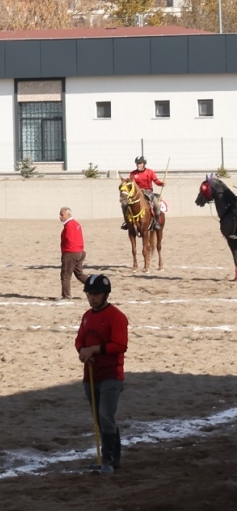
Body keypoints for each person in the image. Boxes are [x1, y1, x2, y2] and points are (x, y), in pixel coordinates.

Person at [74, 273, 128, 473]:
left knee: (106, 416)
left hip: (111, 375)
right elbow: (79, 340)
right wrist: (82, 352)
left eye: (96, 294)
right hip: (90, 375)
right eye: (89, 294)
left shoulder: (117, 317)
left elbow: (120, 345)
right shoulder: (87, 317)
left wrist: (94, 350)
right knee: (101, 418)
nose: (92, 298)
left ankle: (107, 460)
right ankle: (114, 459)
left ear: (105, 294)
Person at [126, 156, 165, 229]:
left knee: (156, 205)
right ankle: (127, 222)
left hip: (148, 192)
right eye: (137, 163)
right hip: (137, 193)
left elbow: (156, 181)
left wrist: (161, 183)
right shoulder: (133, 174)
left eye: (140, 163)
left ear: (144, 164)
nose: (138, 165)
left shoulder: (150, 172)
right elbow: (132, 184)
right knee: (126, 204)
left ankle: (156, 221)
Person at [58, 207, 86, 299]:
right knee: (79, 274)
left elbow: (69, 239)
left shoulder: (69, 225)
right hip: (79, 251)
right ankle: (95, 286)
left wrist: (66, 253)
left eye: (62, 215)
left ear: (68, 214)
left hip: (71, 252)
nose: (60, 217)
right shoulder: (75, 223)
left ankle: (66, 296)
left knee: (66, 275)